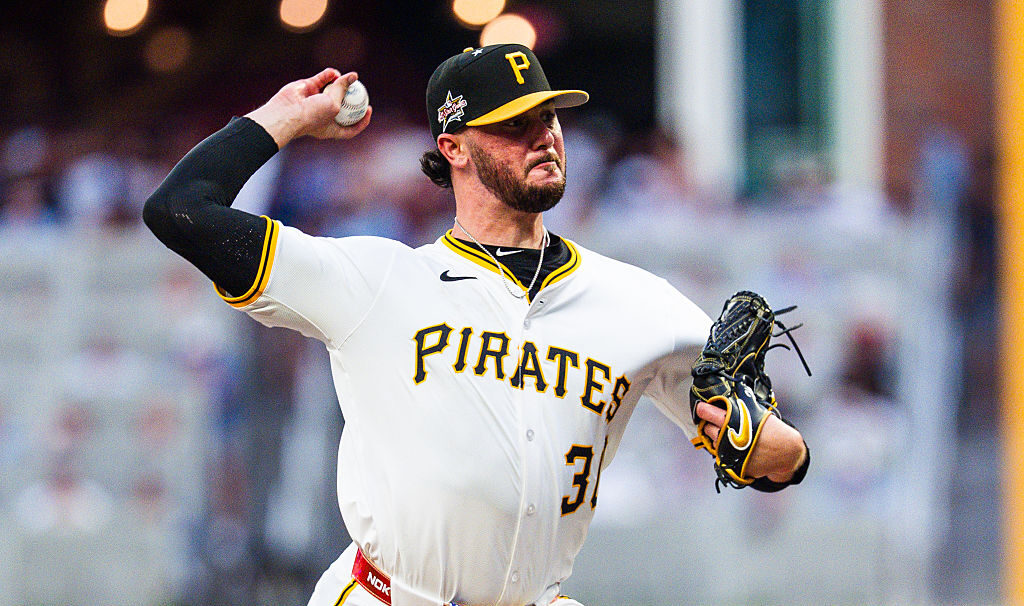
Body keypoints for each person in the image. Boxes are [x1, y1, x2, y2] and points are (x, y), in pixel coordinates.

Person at [144, 43, 809, 606]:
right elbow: (180, 210)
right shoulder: (376, 280)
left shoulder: (641, 305)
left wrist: (774, 448)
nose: (543, 133)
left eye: (548, 115)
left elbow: (773, 456)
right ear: (453, 147)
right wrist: (280, 118)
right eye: (514, 122)